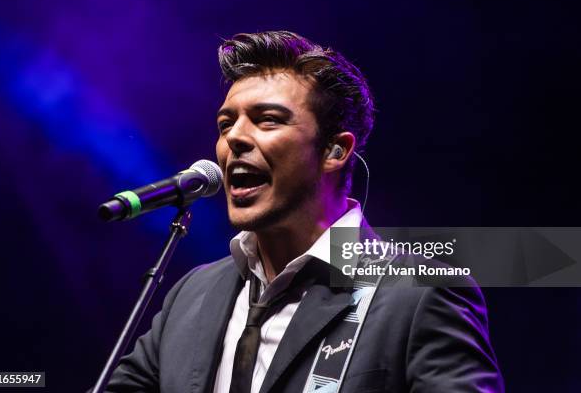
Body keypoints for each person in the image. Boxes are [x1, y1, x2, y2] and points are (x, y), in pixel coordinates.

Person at [101, 31, 504, 392]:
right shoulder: (192, 294)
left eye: (268, 120)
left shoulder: (420, 292)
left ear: (334, 151)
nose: (235, 138)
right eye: (226, 124)